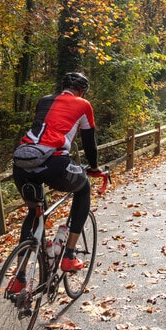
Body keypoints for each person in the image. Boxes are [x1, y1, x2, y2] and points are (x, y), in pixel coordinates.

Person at [11, 72, 101, 291]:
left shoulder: (44, 100)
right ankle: (69, 254)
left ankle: (19, 278)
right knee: (83, 188)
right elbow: (89, 143)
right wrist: (95, 168)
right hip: (54, 163)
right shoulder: (83, 104)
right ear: (82, 90)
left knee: (34, 213)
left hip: (22, 163)